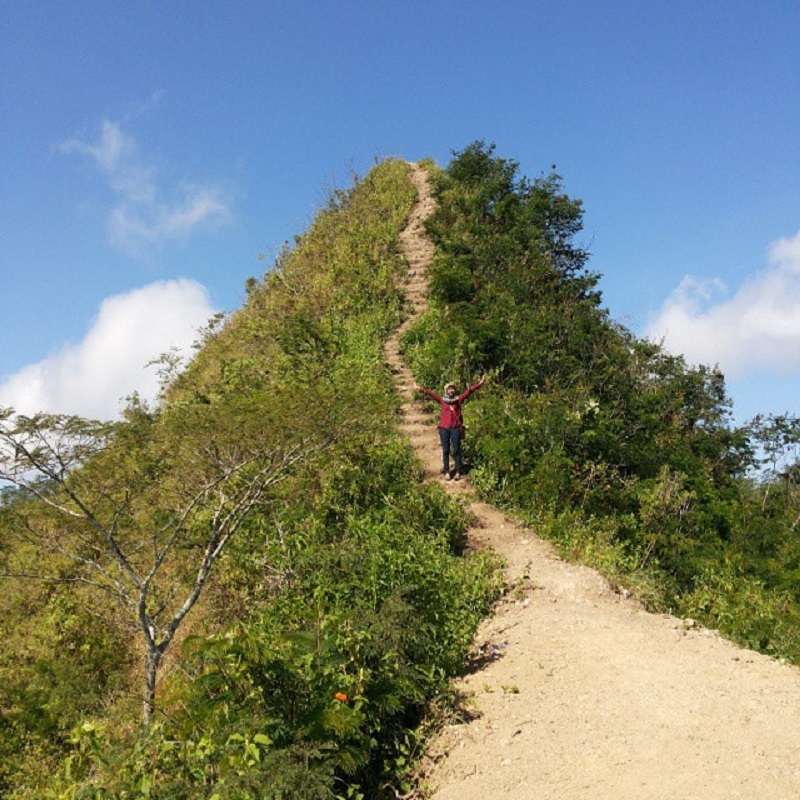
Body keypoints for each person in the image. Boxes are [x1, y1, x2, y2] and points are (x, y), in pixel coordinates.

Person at [414, 375, 486, 481]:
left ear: (455, 391)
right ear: (446, 391)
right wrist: (419, 388)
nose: (451, 390)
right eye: (449, 389)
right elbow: (430, 393)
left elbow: (469, 391)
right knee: (446, 450)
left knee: (457, 450)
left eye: (453, 389)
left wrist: (479, 384)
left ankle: (458, 471)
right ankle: (447, 471)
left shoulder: (458, 400)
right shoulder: (442, 400)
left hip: (455, 428)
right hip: (444, 429)